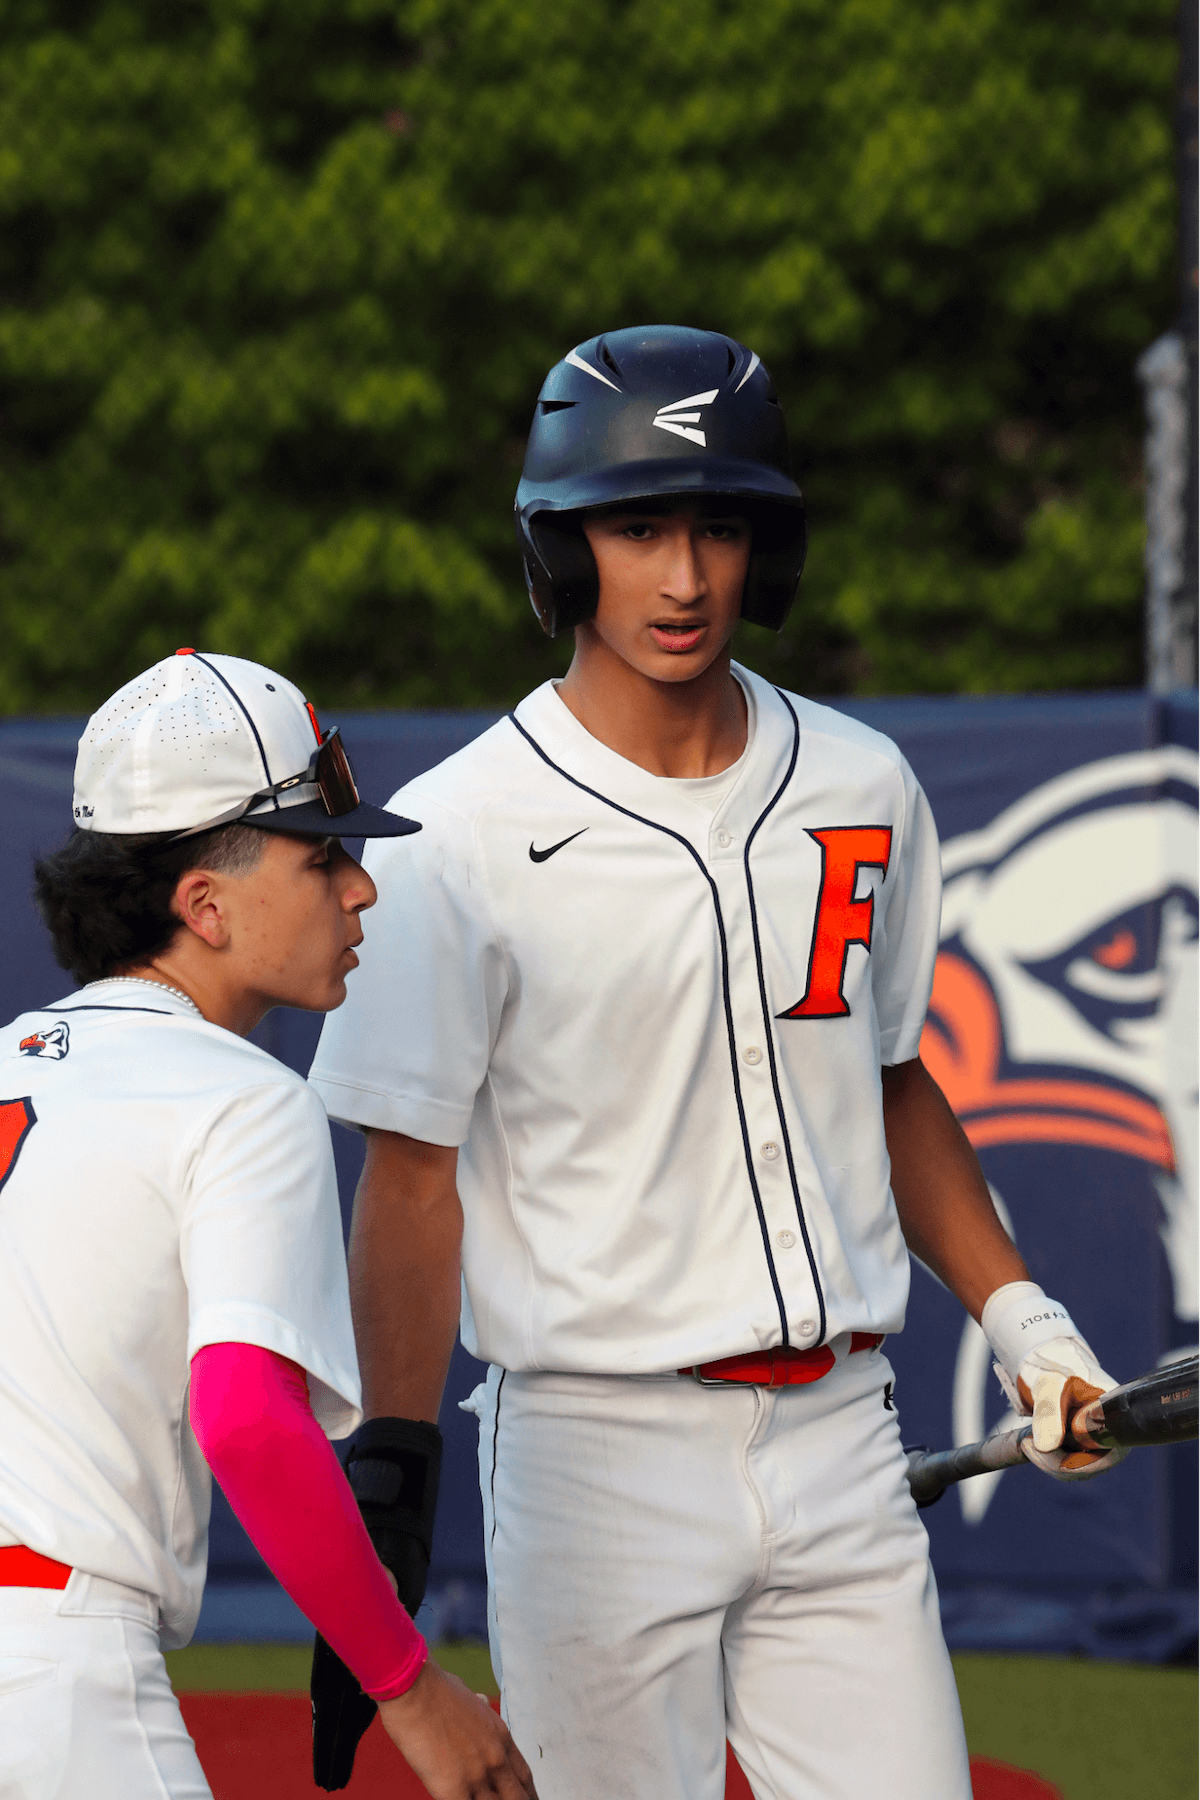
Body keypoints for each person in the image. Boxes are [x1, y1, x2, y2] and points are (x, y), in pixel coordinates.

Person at [307, 326, 1127, 1800]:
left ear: (768, 548)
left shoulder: (863, 782)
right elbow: (411, 1182)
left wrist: (1024, 1321)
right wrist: (395, 1465)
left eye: (718, 526)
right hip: (592, 1451)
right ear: (562, 551)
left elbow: (886, 1082)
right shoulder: (458, 835)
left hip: (842, 1439)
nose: (683, 577)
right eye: (637, 529)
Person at [0, 649, 536, 1800]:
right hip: (55, 1687)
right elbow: (246, 1420)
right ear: (204, 902)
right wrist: (410, 1686)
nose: (360, 887)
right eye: (322, 853)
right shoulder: (239, 1098)